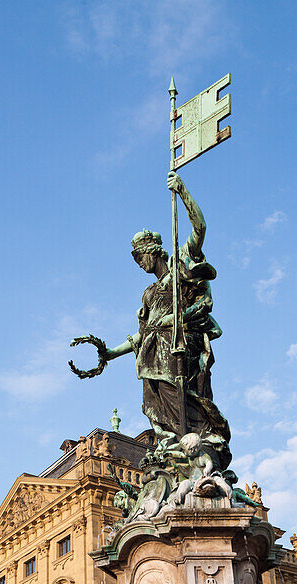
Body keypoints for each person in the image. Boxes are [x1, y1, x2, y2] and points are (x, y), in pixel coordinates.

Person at [71, 172, 230, 457]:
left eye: (139, 257)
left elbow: (200, 228)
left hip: (180, 348)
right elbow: (142, 336)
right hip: (153, 357)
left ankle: (196, 445)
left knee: (186, 403)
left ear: (152, 252)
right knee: (156, 404)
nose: (138, 263)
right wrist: (110, 352)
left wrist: (181, 190)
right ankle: (171, 446)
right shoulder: (149, 292)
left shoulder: (181, 262)